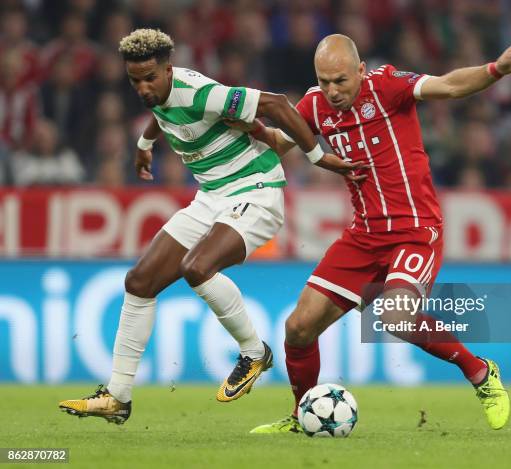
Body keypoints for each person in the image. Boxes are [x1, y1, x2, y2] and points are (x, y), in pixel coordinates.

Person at [58, 29, 361, 424]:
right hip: (211, 196)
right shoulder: (159, 93)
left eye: (150, 78)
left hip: (256, 188)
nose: (144, 88)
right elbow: (160, 114)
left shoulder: (202, 93)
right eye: (135, 81)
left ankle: (255, 353)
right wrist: (144, 146)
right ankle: (118, 396)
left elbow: (277, 104)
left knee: (197, 268)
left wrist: (319, 157)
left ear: (169, 70)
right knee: (139, 281)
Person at [247, 33, 511, 433]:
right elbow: (281, 141)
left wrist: (496, 69)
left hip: (415, 230)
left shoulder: (387, 86)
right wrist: (255, 137)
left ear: (361, 70)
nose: (331, 91)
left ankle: (481, 374)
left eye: (340, 81)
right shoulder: (313, 105)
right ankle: (302, 416)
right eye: (324, 81)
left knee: (396, 315)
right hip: (364, 235)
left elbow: (449, 85)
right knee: (298, 328)